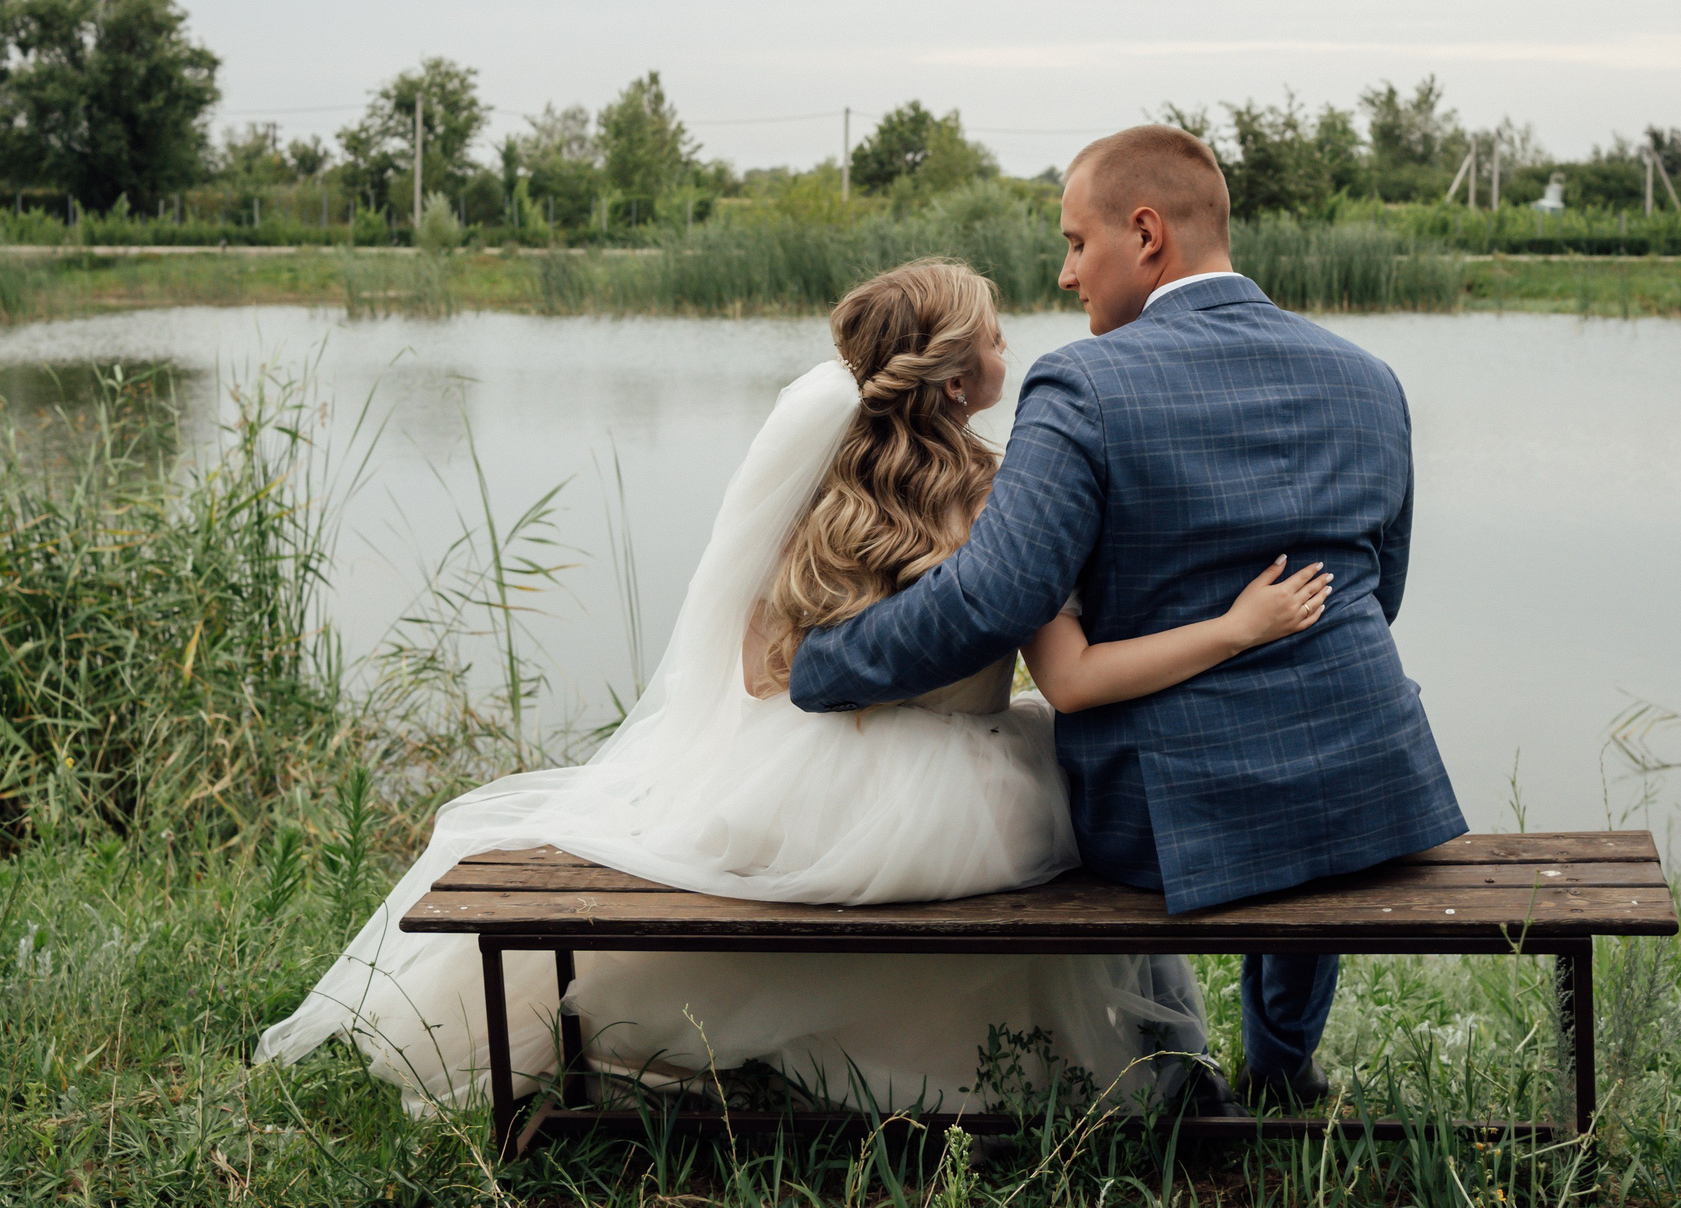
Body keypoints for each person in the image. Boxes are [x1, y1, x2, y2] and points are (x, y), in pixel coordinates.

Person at [257, 257, 1325, 1115]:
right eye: (996, 336)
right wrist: (1235, 626)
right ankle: (997, 1068)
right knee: (1089, 802)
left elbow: (757, 667)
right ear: (958, 379)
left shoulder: (832, 499)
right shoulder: (1008, 495)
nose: (1013, 344)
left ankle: (735, 1050)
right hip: (972, 795)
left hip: (815, 776)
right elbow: (1075, 676)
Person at [787, 126, 1468, 1107]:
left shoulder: (1083, 384)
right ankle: (1279, 1072)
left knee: (1089, 793)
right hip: (1371, 783)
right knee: (1301, 812)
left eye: (1075, 241)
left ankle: (1174, 1075)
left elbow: (997, 594)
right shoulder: (1370, 377)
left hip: (1167, 814)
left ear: (1145, 234)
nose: (1066, 273)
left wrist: (828, 663)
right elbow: (1377, 594)